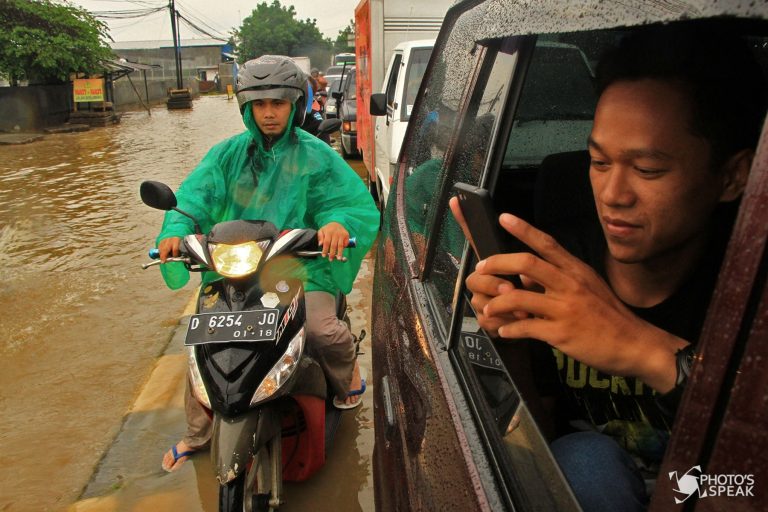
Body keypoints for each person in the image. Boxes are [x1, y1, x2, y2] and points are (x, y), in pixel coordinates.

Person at [450, 25, 765, 511]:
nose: (613, 195)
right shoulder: (555, 271)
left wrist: (643, 348)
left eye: (648, 170)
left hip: (713, 484)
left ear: (732, 177)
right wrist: (509, 341)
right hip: (593, 484)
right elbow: (539, 441)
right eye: (598, 162)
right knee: (583, 460)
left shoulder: (750, 290)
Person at [157, 55, 379, 472]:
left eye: (278, 103)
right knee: (202, 342)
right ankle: (197, 434)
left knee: (321, 330)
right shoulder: (226, 154)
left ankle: (346, 374)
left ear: (294, 105)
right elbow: (194, 196)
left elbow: (349, 203)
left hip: (300, 264)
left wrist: (336, 224)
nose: (269, 113)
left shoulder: (317, 155)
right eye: (259, 105)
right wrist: (177, 225)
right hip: (236, 264)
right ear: (246, 108)